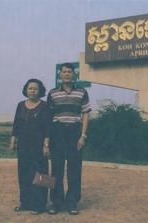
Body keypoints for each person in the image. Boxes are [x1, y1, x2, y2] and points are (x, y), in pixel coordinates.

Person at [47, 63, 92, 215]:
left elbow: (85, 113)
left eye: (69, 72)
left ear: (74, 74)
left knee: (74, 169)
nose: (67, 74)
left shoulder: (82, 92)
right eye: (64, 72)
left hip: (74, 132)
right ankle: (56, 202)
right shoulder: (53, 93)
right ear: (60, 74)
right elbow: (49, 116)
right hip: (57, 132)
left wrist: (83, 135)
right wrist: (47, 140)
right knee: (56, 169)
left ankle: (72, 202)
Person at [9, 79, 52, 215]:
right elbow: (16, 125)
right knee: (24, 176)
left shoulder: (45, 106)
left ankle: (39, 206)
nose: (32, 91)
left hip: (39, 147)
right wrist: (12, 142)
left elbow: (48, 128)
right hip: (23, 147)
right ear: (26, 89)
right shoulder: (20, 105)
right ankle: (25, 203)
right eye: (30, 88)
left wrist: (46, 145)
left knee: (41, 176)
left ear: (40, 91)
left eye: (35, 89)